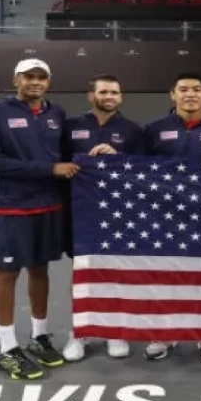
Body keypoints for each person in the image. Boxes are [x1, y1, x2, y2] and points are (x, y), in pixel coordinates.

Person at [0, 58, 78, 380]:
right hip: (10, 207)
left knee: (40, 269)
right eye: (28, 76)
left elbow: (67, 159)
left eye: (41, 77)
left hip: (48, 206)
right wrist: (49, 170)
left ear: (48, 82)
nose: (35, 82)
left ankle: (39, 337)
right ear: (15, 79)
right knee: (7, 272)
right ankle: (7, 349)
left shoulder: (56, 114)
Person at [141, 72, 201, 364]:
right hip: (167, 216)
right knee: (167, 276)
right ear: (173, 95)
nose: (190, 94)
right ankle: (164, 332)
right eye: (183, 89)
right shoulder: (154, 129)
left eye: (196, 89)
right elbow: (140, 170)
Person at [61, 74, 143, 362]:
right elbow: (59, 162)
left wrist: (117, 156)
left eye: (115, 93)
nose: (109, 97)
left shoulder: (132, 130)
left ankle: (114, 329)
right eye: (104, 91)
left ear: (120, 98)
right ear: (91, 95)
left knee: (114, 271)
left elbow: (143, 171)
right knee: (81, 272)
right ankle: (79, 332)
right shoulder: (70, 127)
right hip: (81, 212)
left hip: (118, 213)